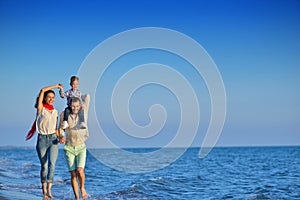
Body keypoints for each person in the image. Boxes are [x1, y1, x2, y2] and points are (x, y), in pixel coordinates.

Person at [26, 84, 63, 200]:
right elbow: (42, 90)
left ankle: (49, 191)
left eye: (53, 97)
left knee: (52, 165)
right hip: (42, 140)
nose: (51, 99)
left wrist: (61, 136)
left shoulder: (56, 112)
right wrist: (57, 86)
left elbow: (56, 128)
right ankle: (43, 193)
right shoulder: (41, 109)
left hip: (53, 140)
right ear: (45, 98)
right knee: (44, 166)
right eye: (49, 97)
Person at [59, 96, 89, 200]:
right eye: (73, 106)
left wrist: (82, 97)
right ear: (69, 105)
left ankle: (82, 188)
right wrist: (61, 136)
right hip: (69, 147)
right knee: (73, 174)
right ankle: (77, 198)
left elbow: (88, 97)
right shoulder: (64, 115)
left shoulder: (83, 114)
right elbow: (61, 129)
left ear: (79, 106)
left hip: (81, 147)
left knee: (80, 170)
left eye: (77, 106)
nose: (75, 108)